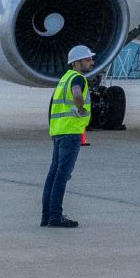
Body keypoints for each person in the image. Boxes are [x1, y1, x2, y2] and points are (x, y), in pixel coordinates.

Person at [42, 44, 98, 228]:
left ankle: (47, 216)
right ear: (77, 62)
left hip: (58, 131)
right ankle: (56, 216)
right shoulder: (78, 79)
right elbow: (76, 94)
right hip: (70, 133)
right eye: (88, 59)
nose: (92, 62)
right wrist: (80, 109)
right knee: (62, 175)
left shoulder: (64, 78)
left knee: (53, 175)